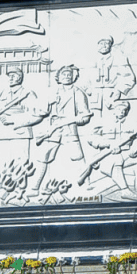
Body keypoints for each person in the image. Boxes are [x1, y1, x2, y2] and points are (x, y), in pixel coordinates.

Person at [31, 64, 91, 195]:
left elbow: (85, 116)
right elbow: (41, 110)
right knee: (44, 157)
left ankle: (89, 186)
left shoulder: (78, 92)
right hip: (53, 129)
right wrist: (50, 102)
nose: (67, 76)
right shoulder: (52, 92)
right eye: (64, 74)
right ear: (59, 76)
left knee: (79, 158)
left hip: (69, 129)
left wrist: (76, 120)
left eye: (69, 74)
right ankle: (35, 187)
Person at [92, 35, 136, 109]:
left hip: (112, 96)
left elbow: (129, 78)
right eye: (101, 43)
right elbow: (84, 77)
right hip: (94, 99)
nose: (104, 46)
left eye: (107, 43)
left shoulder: (119, 58)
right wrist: (88, 89)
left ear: (111, 45)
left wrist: (118, 91)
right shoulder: (92, 59)